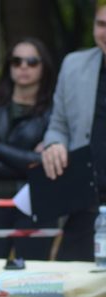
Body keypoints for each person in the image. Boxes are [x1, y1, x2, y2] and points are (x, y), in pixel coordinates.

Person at [0, 38, 57, 261]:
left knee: (35, 280)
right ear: (9, 66)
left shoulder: (55, 110)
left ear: (44, 66)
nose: (23, 67)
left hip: (37, 208)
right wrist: (28, 163)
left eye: (32, 61)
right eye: (17, 61)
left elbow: (48, 164)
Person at [41, 3, 106, 262]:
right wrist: (54, 144)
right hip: (83, 202)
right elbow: (58, 125)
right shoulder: (73, 65)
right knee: (74, 291)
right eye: (101, 25)